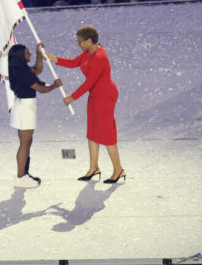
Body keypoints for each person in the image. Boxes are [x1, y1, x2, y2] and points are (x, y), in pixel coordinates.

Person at [46, 26, 124, 183]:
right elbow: (74, 63)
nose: (78, 44)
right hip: (95, 96)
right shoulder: (88, 53)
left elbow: (90, 82)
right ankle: (94, 168)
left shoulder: (100, 57)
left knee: (107, 134)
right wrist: (54, 58)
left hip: (105, 96)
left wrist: (72, 97)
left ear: (89, 41)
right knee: (93, 132)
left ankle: (118, 170)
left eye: (80, 41)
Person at [7, 43, 62, 188]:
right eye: (27, 53)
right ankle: (20, 177)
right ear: (21, 56)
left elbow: (37, 69)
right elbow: (42, 89)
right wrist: (55, 85)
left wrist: (39, 54)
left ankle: (24, 173)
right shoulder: (23, 73)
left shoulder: (20, 69)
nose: (29, 55)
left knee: (27, 142)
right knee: (24, 144)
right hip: (25, 108)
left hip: (24, 107)